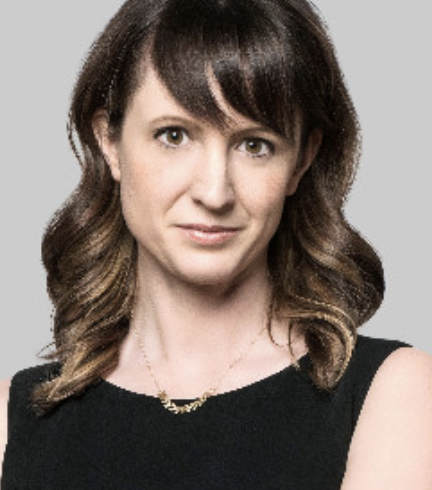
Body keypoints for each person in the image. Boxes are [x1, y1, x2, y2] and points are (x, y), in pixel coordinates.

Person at [1, 0, 431, 488]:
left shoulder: (393, 394)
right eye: (174, 135)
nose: (214, 192)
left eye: (255, 145)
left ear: (301, 160)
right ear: (110, 143)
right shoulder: (12, 421)